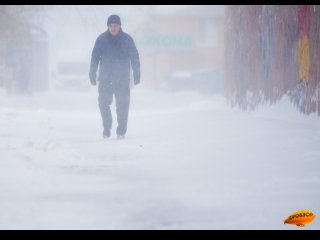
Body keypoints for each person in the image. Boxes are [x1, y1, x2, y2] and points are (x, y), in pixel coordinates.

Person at [89, 14, 140, 139]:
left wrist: (137, 72)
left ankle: (121, 130)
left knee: (123, 105)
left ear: (120, 26)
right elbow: (94, 58)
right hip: (106, 78)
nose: (113, 28)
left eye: (115, 25)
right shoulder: (101, 40)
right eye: (111, 26)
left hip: (122, 79)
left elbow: (134, 57)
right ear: (108, 26)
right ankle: (107, 126)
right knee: (103, 103)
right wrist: (92, 73)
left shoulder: (127, 40)